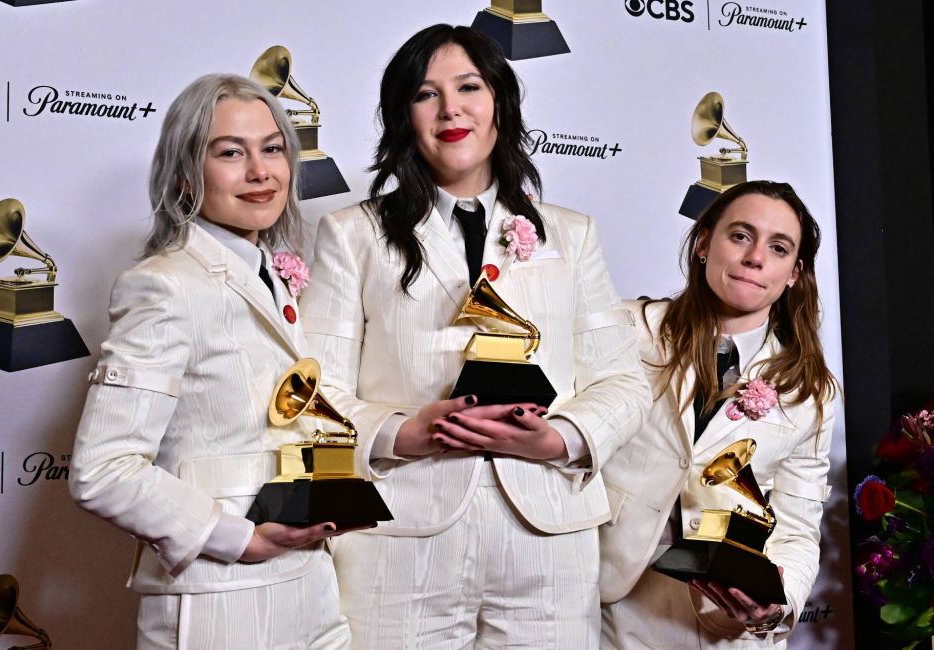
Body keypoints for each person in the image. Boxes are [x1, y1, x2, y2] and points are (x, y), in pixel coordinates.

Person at [298, 24, 649, 648]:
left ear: (500, 106)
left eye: (469, 87)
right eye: (426, 94)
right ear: (404, 116)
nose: (451, 108)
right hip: (400, 538)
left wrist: (561, 439)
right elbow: (312, 391)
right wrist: (400, 433)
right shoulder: (351, 235)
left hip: (549, 540)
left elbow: (623, 380)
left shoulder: (572, 234)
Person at [68, 73, 358, 649]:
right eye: (231, 153)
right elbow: (102, 469)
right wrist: (236, 539)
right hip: (219, 597)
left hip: (312, 585)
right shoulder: (164, 285)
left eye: (273, 148)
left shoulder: (271, 271)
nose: (261, 171)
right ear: (183, 175)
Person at [599, 180, 839, 648]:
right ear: (705, 242)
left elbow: (797, 525)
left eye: (778, 247)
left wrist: (778, 603)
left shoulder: (811, 392)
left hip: (726, 628)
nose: (756, 258)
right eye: (740, 236)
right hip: (606, 604)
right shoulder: (625, 329)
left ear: (794, 273)